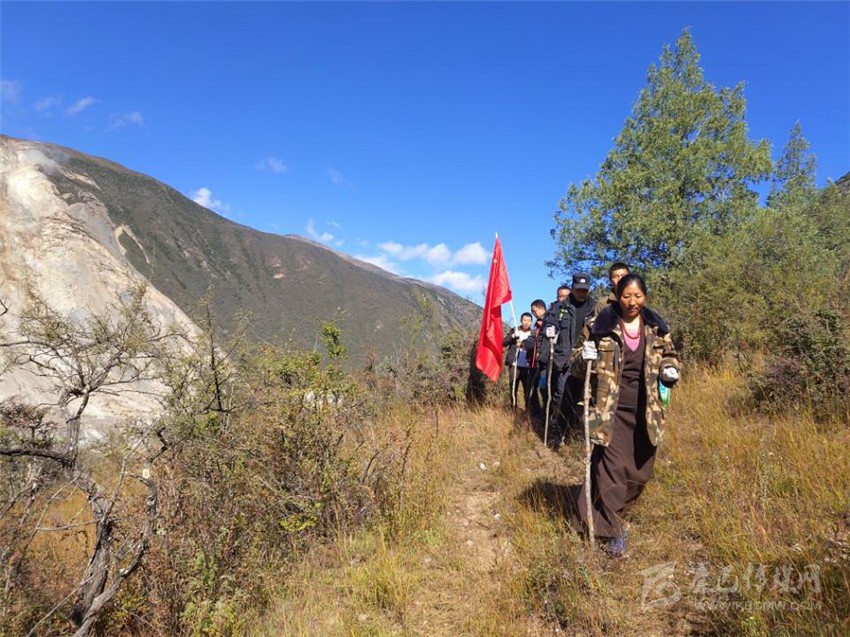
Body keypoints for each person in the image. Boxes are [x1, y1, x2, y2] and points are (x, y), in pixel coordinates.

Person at [570, 273, 681, 557]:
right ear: (617, 296)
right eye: (626, 296)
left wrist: (670, 368)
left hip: (646, 410)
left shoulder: (656, 327)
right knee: (613, 469)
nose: (632, 302)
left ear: (646, 297)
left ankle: (603, 513)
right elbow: (576, 365)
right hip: (610, 409)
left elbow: (670, 355)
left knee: (640, 470)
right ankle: (613, 532)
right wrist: (584, 357)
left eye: (638, 296)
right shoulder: (599, 325)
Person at [543, 273, 597, 447]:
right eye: (578, 290)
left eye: (584, 290)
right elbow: (549, 322)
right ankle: (558, 433)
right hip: (565, 360)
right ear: (573, 289)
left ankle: (577, 434)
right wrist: (549, 329)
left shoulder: (595, 308)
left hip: (587, 359)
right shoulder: (561, 307)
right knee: (562, 397)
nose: (581, 293)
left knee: (585, 398)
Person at [503, 313, 535, 408]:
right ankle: (513, 407)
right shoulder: (514, 330)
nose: (526, 322)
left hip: (527, 365)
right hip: (515, 364)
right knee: (513, 388)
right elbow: (504, 342)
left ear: (531, 322)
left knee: (527, 389)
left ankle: (528, 409)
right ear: (521, 321)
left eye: (529, 321)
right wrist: (513, 336)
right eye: (524, 320)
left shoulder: (533, 334)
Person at [527, 299, 549, 420]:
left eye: (534, 311)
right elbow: (533, 340)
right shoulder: (537, 325)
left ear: (541, 308)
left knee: (543, 388)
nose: (533, 314)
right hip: (534, 362)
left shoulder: (550, 321)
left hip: (544, 362)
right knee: (531, 387)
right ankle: (535, 413)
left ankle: (547, 413)